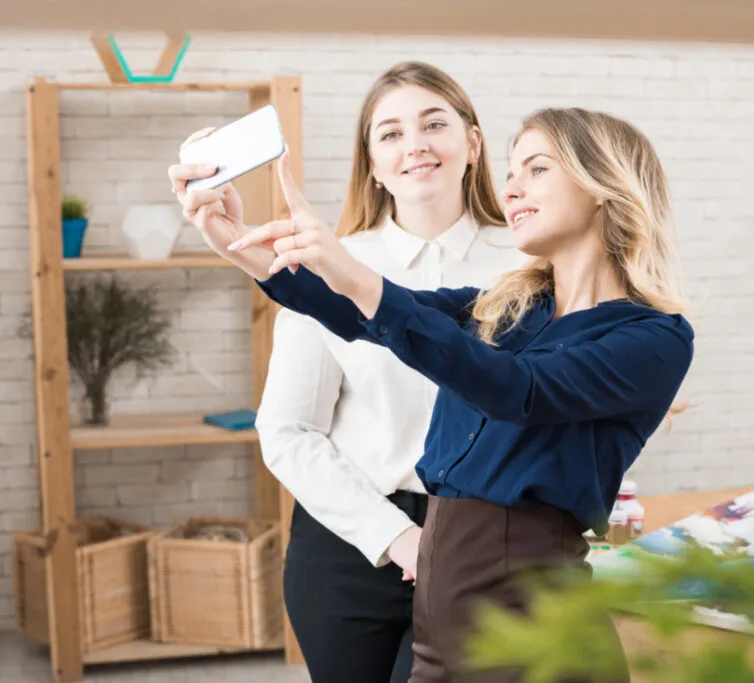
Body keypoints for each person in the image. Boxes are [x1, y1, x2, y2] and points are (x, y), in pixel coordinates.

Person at [173, 105, 694, 682]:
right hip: (442, 615)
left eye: (536, 169)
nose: (510, 187)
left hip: (528, 618)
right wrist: (239, 245)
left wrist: (351, 270)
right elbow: (366, 315)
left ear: (604, 185)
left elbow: (517, 391)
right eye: (511, 170)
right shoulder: (506, 305)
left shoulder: (654, 337)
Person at [169, 61, 525, 683]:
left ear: (472, 143)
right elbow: (288, 432)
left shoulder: (528, 263)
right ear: (374, 162)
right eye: (390, 133)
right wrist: (397, 538)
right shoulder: (327, 262)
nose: (414, 144)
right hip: (353, 548)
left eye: (433, 123)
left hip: (485, 545)